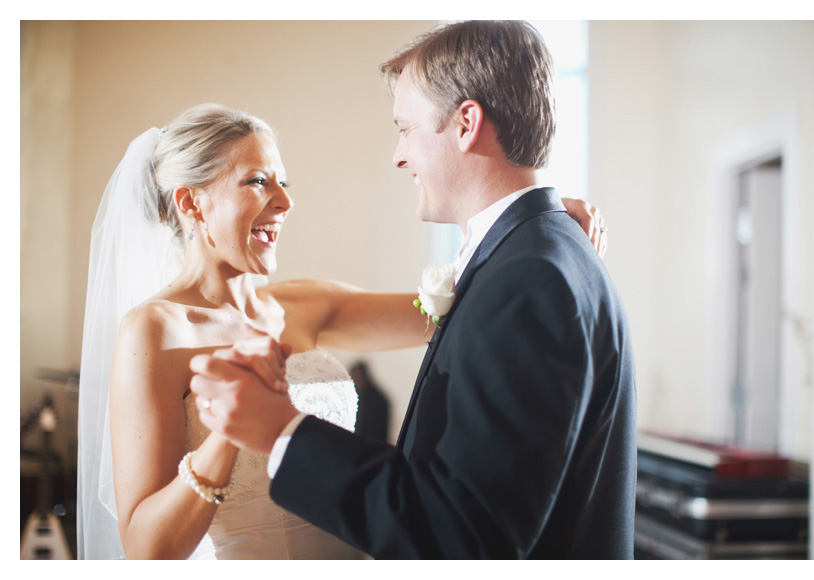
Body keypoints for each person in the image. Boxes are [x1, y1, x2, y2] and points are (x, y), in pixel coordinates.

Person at [76, 101, 604, 559]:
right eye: (258, 181)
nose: (284, 202)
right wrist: (230, 430)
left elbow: (459, 306)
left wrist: (537, 224)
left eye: (284, 182)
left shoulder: (307, 305)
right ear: (192, 203)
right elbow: (147, 548)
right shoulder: (154, 332)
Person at [190, 20, 636, 559]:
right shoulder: (533, 256)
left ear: (467, 123)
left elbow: (463, 537)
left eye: (405, 129)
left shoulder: (529, 276)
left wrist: (281, 431)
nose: (398, 156)